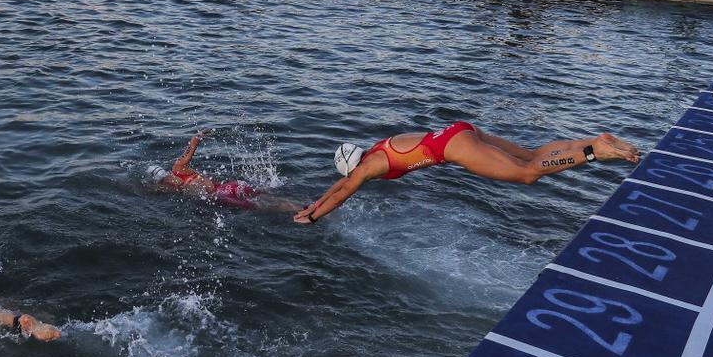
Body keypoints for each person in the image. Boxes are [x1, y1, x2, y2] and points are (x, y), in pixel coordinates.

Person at [294, 123, 640, 224]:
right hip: (459, 130)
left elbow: (344, 191)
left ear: (356, 167)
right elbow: (339, 186)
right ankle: (593, 140)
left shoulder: (369, 168)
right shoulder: (376, 150)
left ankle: (596, 152)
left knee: (527, 174)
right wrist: (313, 204)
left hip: (455, 149)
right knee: (532, 153)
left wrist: (312, 219)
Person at [147, 131, 299, 211]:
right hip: (219, 195)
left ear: (166, 173)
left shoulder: (178, 169)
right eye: (163, 179)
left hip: (225, 188)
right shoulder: (169, 189)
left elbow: (190, 151)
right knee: (258, 206)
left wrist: (196, 139)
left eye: (165, 176)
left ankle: (304, 207)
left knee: (264, 195)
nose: (167, 179)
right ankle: (300, 210)